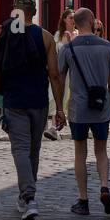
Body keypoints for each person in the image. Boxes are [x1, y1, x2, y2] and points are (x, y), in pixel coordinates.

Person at [0, 0, 65, 220]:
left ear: (15, 9)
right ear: (35, 11)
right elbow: (54, 74)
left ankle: (29, 197)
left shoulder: (6, 34)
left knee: (20, 149)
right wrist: (59, 108)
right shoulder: (46, 37)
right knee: (33, 149)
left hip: (14, 101)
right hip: (38, 101)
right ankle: (27, 196)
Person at [57, 8, 110, 216]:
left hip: (78, 107)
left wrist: (58, 108)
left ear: (74, 23)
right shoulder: (107, 47)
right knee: (101, 151)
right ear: (92, 21)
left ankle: (83, 200)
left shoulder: (69, 48)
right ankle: (104, 186)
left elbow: (58, 78)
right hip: (101, 106)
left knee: (80, 153)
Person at [45, 8, 75, 139]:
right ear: (64, 19)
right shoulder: (57, 35)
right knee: (54, 96)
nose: (73, 20)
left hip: (71, 73)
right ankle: (52, 127)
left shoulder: (77, 34)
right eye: (70, 18)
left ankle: (63, 125)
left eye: (74, 18)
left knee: (67, 98)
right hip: (58, 71)